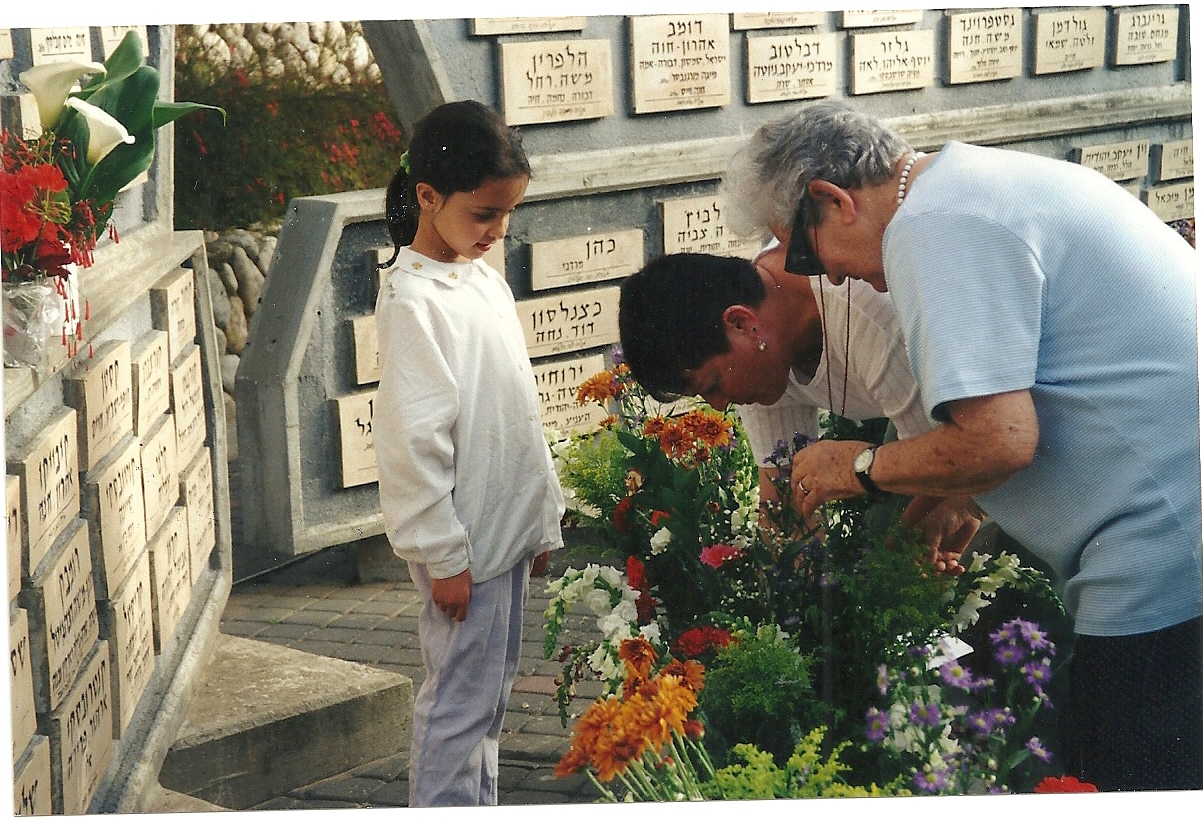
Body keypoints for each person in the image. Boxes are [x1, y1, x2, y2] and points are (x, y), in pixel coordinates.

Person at [723, 98, 1201, 792]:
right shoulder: (964, 187)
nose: (823, 276)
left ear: (832, 200)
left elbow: (999, 440)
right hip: (1163, 527)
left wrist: (858, 466)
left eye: (801, 250)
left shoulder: (934, 225)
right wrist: (943, 500)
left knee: (1128, 780)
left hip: (1162, 546)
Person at [371, 99, 565, 807]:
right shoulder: (413, 300)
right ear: (428, 195)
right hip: (463, 546)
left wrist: (539, 520)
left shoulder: (481, 280)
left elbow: (514, 411)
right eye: (484, 213)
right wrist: (441, 553)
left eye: (506, 213)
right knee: (458, 702)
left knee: (490, 695)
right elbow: (409, 437)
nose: (497, 230)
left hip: (502, 533)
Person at [618, 242, 984, 571]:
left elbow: (963, 462)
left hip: (1001, 425)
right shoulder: (761, 348)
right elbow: (785, 503)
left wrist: (887, 572)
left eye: (713, 384)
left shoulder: (870, 321)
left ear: (742, 322)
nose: (719, 404)